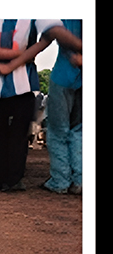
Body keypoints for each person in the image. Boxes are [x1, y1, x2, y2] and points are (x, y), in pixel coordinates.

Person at [0, 19, 80, 192]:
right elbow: (50, 35)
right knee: (19, 134)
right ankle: (14, 179)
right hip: (24, 85)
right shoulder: (32, 17)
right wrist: (23, 55)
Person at [41, 20, 83, 194]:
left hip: (62, 74)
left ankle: (60, 181)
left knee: (58, 131)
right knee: (79, 130)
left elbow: (54, 32)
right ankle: (80, 179)